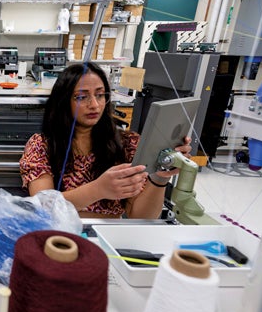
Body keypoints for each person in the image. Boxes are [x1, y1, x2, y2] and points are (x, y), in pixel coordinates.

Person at [20, 63, 191, 219]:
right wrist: (98, 189)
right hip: (58, 234)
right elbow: (44, 206)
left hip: (108, 235)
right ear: (63, 102)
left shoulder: (128, 144)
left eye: (100, 95)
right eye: (81, 97)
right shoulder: (42, 145)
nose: (94, 105)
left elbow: (141, 217)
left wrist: (160, 177)